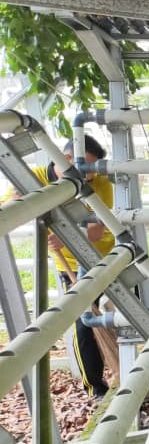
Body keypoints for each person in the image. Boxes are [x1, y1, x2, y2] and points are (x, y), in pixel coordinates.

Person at [1, 135, 115, 400]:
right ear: (65, 159)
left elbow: (96, 231)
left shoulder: (100, 182)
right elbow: (7, 208)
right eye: (83, 169)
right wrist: (21, 202)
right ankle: (96, 388)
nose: (88, 177)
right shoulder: (33, 179)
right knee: (84, 320)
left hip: (105, 256)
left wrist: (66, 237)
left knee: (143, 299)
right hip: (72, 265)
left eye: (91, 171)